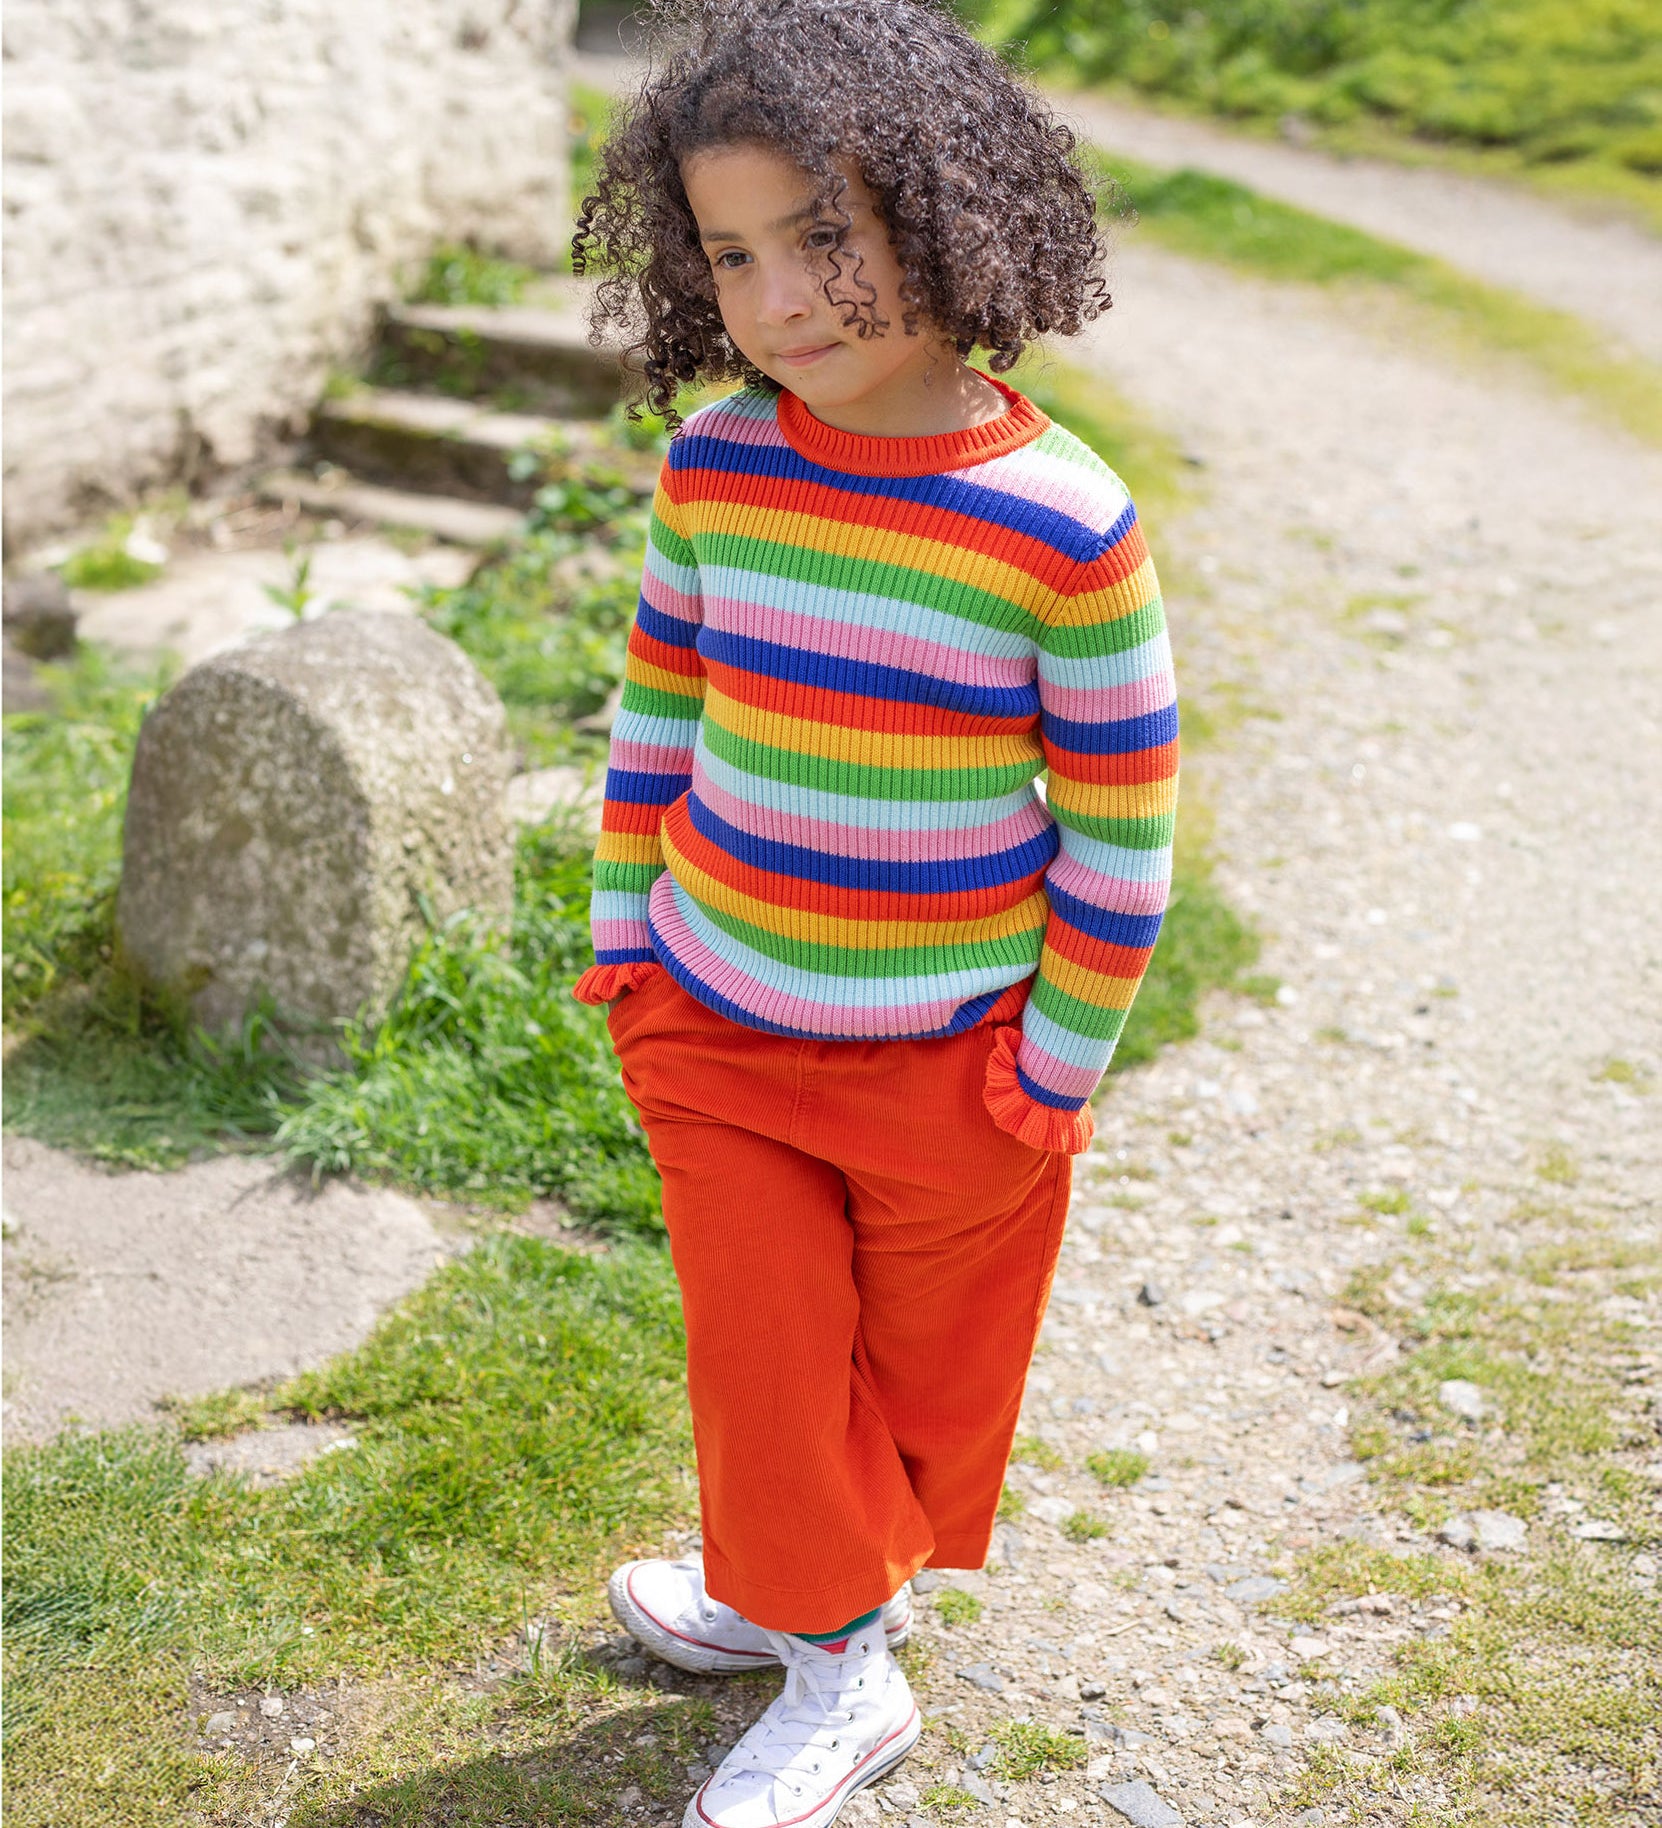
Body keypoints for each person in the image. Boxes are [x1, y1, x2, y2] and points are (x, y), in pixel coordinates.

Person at [570, 4, 1178, 1822]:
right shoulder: (716, 469)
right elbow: (657, 710)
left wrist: (1054, 1063)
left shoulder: (1061, 525)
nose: (780, 299)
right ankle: (837, 1660)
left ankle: (795, 1587)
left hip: (950, 1056)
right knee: (764, 1361)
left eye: (823, 234)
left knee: (905, 1383)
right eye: (733, 256)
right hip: (718, 1018)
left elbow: (1124, 825)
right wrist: (624, 938)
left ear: (947, 207)